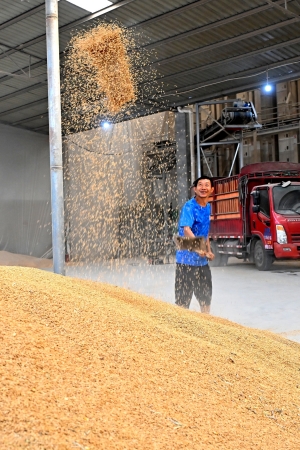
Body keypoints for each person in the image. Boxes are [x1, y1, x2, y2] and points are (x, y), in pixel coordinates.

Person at [175, 175, 214, 313]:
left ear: (212, 190)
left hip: (201, 262)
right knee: (182, 301)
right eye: (200, 185)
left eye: (207, 185)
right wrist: (198, 248)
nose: (203, 187)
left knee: (205, 297)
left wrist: (208, 251)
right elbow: (186, 229)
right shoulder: (189, 206)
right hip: (185, 260)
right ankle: (180, 328)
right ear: (195, 190)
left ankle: (206, 323)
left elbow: (205, 232)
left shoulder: (208, 207)